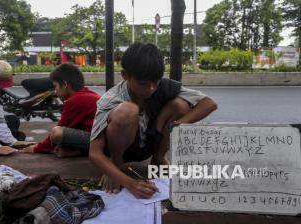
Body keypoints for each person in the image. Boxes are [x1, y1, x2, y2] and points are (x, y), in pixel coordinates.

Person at [89, 43, 218, 198]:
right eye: (143, 84)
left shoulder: (163, 86)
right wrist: (131, 184)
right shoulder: (111, 99)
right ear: (125, 75)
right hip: (122, 149)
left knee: (180, 105)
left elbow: (209, 104)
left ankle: (158, 158)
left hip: (150, 142)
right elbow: (94, 153)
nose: (151, 89)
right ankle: (117, 164)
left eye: (155, 82)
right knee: (128, 110)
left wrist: (177, 125)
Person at [21, 63, 100, 157]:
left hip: (99, 141)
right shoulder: (87, 93)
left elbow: (61, 127)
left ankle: (81, 151)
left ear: (65, 84)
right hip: (100, 138)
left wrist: (37, 148)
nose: (55, 91)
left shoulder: (75, 100)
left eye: (55, 86)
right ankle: (77, 151)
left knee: (56, 132)